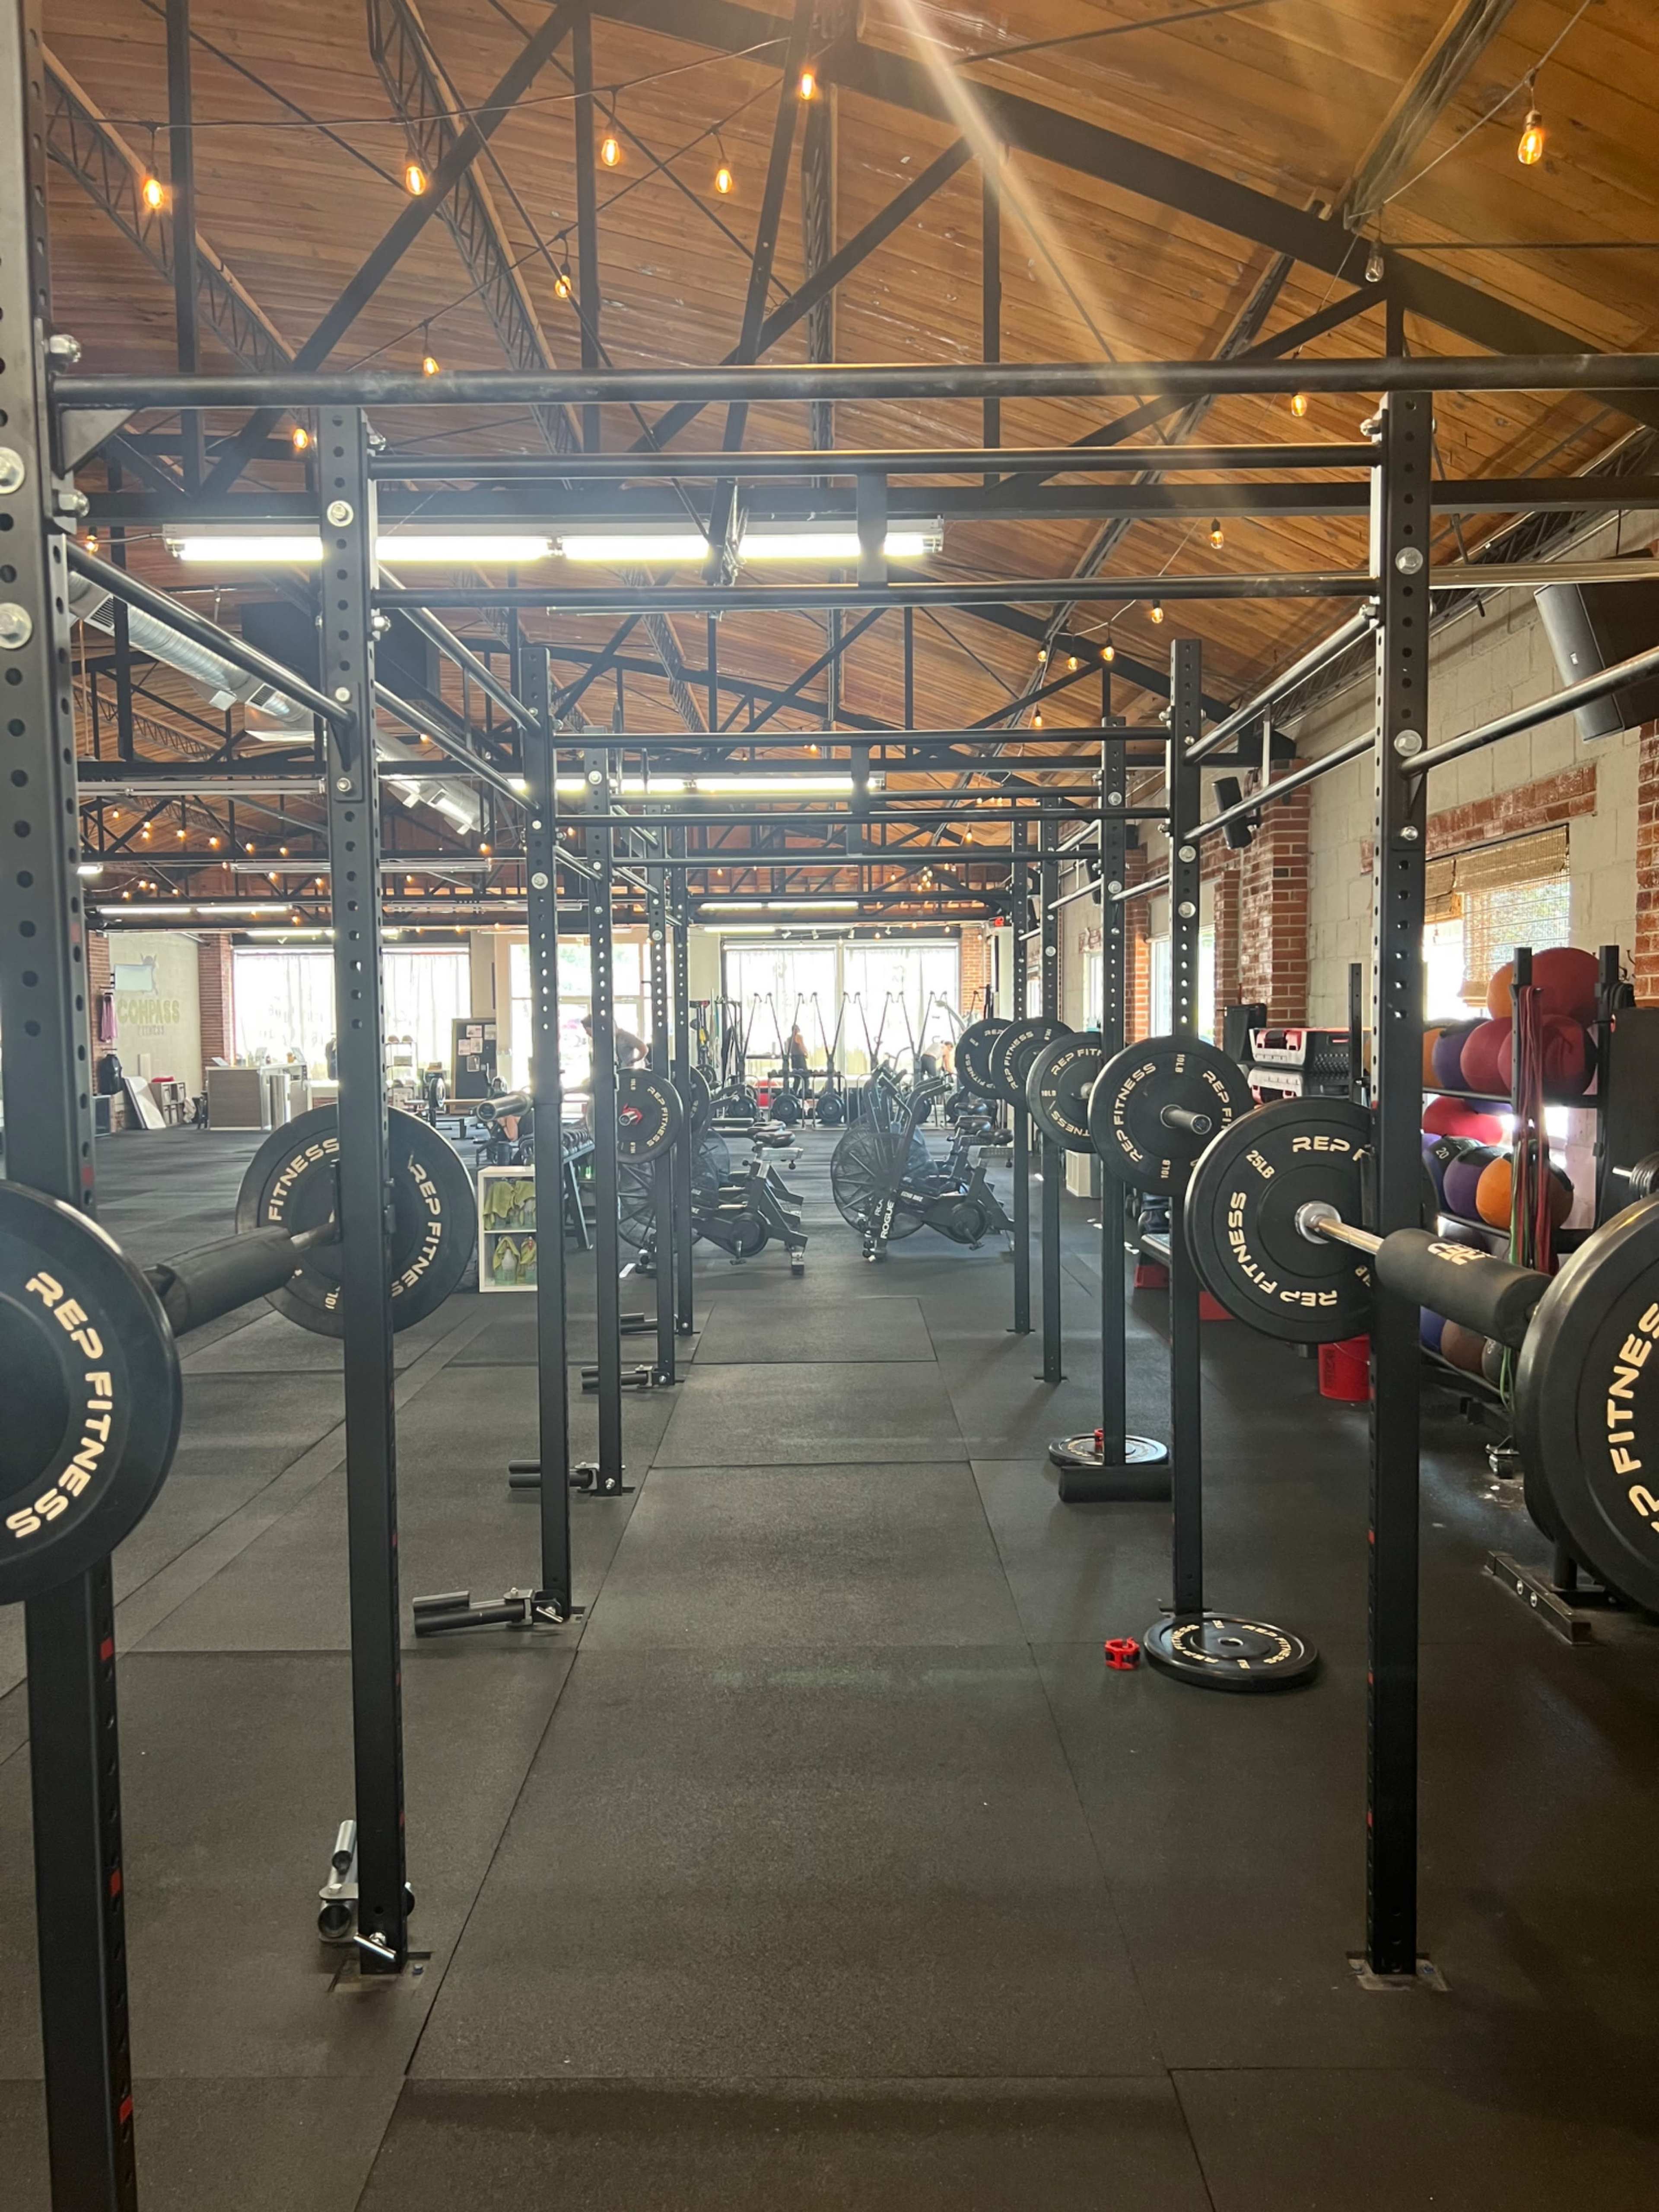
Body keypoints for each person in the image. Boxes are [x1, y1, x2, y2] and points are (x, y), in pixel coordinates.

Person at [581, 1012, 648, 1067]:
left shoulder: (625, 1036)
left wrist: (634, 1060)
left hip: (625, 1075)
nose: (587, 1033)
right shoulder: (602, 1040)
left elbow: (644, 1048)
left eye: (587, 1030)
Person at [786, 1023, 810, 1096]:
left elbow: (788, 1050)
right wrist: (806, 1053)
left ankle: (794, 1094)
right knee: (805, 1076)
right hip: (800, 1058)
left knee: (797, 1078)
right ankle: (805, 1092)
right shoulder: (799, 1037)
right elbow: (802, 1046)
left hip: (794, 1059)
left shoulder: (789, 1039)